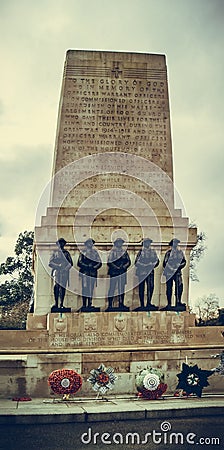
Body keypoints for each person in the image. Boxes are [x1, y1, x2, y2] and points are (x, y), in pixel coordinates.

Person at [77, 238, 102, 310]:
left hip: (92, 272)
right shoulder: (83, 252)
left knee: (91, 288)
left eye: (92, 243)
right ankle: (84, 304)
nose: (90, 244)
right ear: (86, 244)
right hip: (85, 272)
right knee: (85, 288)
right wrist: (87, 266)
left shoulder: (95, 252)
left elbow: (99, 262)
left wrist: (94, 267)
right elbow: (79, 262)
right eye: (89, 242)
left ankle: (90, 303)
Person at [135, 238, 159, 310]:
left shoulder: (153, 252)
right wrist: (144, 265)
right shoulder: (141, 252)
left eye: (149, 242)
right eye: (146, 242)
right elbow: (136, 262)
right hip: (142, 272)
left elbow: (157, 261)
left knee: (151, 286)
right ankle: (142, 304)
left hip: (150, 272)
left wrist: (152, 264)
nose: (148, 244)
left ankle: (149, 302)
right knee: (142, 288)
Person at [107, 238, 131, 310]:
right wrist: (116, 267)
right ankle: (110, 304)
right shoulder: (112, 252)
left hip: (122, 272)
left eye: (121, 242)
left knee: (122, 289)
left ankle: (121, 303)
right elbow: (109, 262)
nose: (120, 244)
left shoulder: (124, 252)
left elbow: (128, 261)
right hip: (114, 272)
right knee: (112, 288)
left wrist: (124, 266)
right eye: (118, 242)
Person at [49, 238, 73, 308]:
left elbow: (70, 263)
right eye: (60, 243)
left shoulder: (66, 253)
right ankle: (56, 303)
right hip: (57, 271)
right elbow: (50, 263)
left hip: (64, 272)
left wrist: (66, 269)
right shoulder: (55, 253)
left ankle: (61, 304)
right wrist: (57, 266)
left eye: (62, 243)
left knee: (63, 288)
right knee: (56, 287)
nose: (61, 244)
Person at [162, 238, 186, 309]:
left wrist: (178, 267)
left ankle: (178, 301)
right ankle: (169, 303)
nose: (175, 244)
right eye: (174, 243)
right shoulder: (168, 253)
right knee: (169, 287)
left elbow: (184, 262)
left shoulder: (180, 253)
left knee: (179, 286)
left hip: (177, 272)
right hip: (169, 273)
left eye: (176, 243)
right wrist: (171, 268)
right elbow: (165, 263)